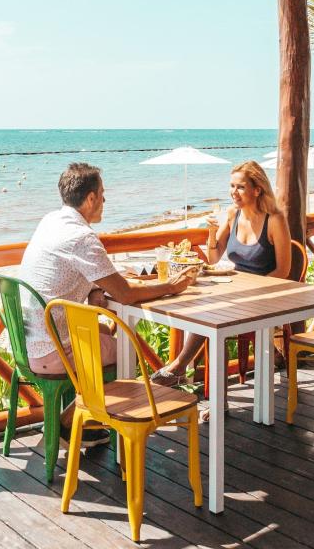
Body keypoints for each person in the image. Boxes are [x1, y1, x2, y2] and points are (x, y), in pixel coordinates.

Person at [20, 162, 197, 445]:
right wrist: (172, 286)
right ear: (90, 198)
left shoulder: (51, 221)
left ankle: (84, 421)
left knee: (104, 332)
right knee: (129, 348)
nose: (105, 200)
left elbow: (70, 271)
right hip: (52, 351)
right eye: (102, 194)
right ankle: (86, 425)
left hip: (29, 343)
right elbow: (125, 294)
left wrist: (93, 290)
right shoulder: (81, 237)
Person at [149, 160, 292, 387]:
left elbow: (283, 270)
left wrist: (251, 290)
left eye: (241, 187)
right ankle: (212, 391)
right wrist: (213, 231)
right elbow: (214, 258)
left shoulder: (275, 220)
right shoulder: (233, 213)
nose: (234, 192)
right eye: (232, 186)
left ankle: (180, 368)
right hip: (235, 291)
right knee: (206, 314)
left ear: (257, 189)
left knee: (213, 320)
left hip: (266, 294)